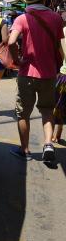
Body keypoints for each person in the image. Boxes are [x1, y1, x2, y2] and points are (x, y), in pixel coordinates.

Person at [8, 0, 64, 164]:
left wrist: (17, 60)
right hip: (48, 74)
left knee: (23, 113)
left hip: (26, 73)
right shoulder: (56, 19)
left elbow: (10, 42)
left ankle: (25, 150)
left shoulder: (22, 18)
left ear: (27, 0)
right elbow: (58, 47)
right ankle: (48, 144)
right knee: (47, 110)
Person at [52, 11, 66, 143]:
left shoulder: (63, 32)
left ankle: (55, 135)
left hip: (63, 75)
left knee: (58, 106)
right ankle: (57, 135)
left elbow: (60, 53)